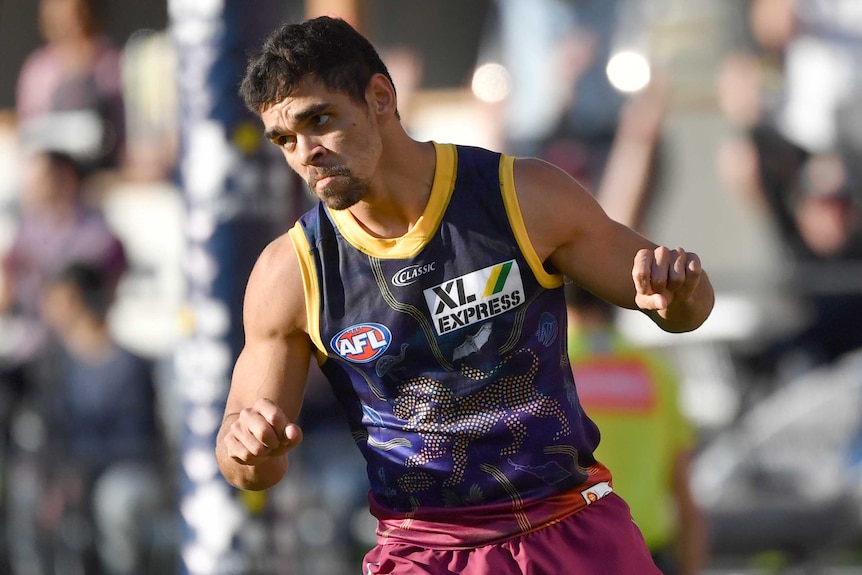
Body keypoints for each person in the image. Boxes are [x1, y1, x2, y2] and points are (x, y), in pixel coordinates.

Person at [215, 16, 714, 574]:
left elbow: (686, 310)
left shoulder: (520, 195)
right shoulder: (291, 270)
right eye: (285, 139)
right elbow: (247, 463)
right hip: (423, 551)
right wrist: (246, 447)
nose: (305, 153)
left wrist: (681, 293)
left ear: (380, 97)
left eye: (320, 120)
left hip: (568, 527)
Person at [5, 262, 167, 575]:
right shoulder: (50, 363)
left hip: (123, 470)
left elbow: (140, 443)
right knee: (28, 491)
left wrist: (80, 474)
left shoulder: (130, 366)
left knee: (115, 500)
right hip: (68, 471)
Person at [566, 284, 707, 575]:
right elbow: (684, 495)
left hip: (570, 553)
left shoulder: (549, 370)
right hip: (646, 554)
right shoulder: (654, 371)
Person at [15, 0, 126, 171]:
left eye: (75, 13)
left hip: (102, 169)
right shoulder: (38, 69)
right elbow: (29, 129)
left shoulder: (108, 61)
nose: (68, 22)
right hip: (55, 174)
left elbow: (121, 127)